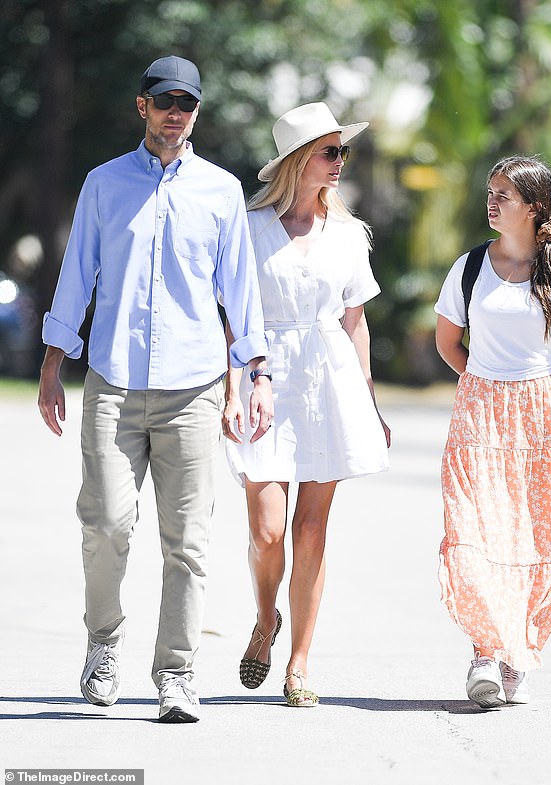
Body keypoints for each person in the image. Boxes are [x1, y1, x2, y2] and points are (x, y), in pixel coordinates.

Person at [37, 55, 273, 723]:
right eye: (165, 100)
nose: (176, 111)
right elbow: (76, 274)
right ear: (142, 106)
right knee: (106, 524)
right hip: (112, 383)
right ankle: (103, 643)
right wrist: (55, 362)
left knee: (188, 540)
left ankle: (176, 672)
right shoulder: (104, 185)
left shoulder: (222, 191)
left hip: (193, 388)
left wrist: (258, 371)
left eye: (188, 103)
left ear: (197, 112)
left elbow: (239, 290)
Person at [223, 102, 390, 707]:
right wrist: (232, 387)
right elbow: (231, 319)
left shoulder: (348, 234)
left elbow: (356, 322)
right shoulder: (246, 227)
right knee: (268, 529)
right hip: (264, 377)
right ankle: (265, 619)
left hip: (330, 382)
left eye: (342, 151)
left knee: (312, 532)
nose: (340, 162)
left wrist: (369, 401)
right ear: (298, 161)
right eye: (330, 151)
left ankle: (299, 662)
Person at [434, 155, 551, 708]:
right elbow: (448, 342)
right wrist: (487, 387)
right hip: (479, 413)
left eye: (504, 194)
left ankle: (516, 653)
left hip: (546, 417)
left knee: (536, 540)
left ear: (533, 207)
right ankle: (484, 651)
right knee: (476, 534)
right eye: (491, 191)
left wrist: (544, 405)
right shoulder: (469, 267)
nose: (492, 200)